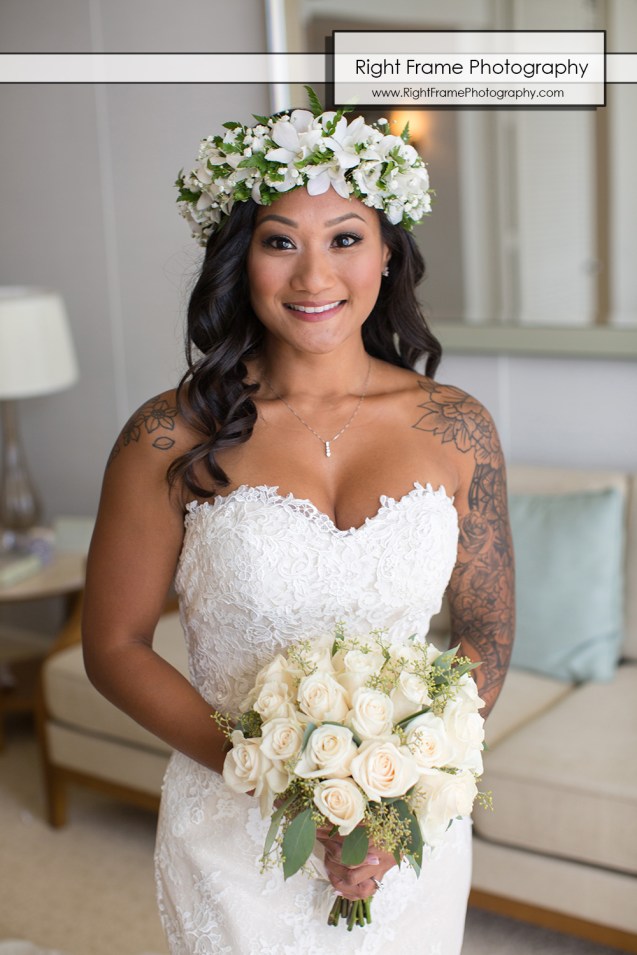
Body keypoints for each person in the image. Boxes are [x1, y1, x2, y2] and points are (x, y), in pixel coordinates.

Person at [82, 94, 514, 954]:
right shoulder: (168, 435)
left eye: (345, 238)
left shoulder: (456, 426)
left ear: (387, 252)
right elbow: (115, 647)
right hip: (233, 826)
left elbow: (485, 632)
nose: (315, 278)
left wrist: (397, 798)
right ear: (242, 260)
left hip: (403, 840)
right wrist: (286, 786)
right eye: (281, 241)